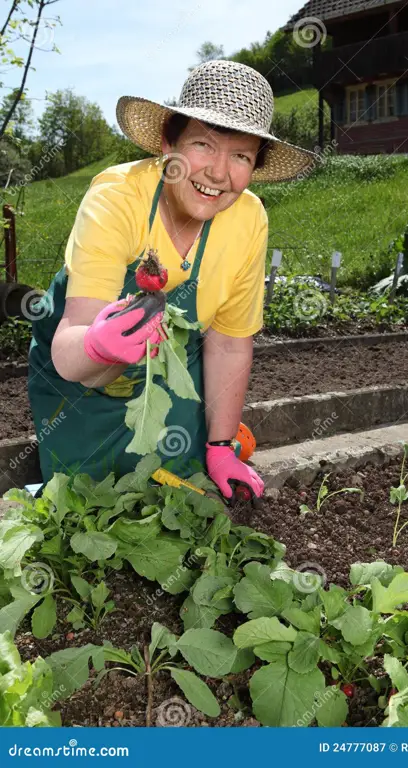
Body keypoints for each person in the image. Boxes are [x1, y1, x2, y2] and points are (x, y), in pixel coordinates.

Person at [28, 59, 316, 502]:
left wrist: (221, 448)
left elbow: (229, 341)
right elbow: (70, 351)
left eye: (240, 156)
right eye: (204, 145)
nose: (219, 173)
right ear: (169, 142)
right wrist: (99, 345)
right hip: (79, 381)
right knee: (83, 500)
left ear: (255, 165)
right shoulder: (117, 198)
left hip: (168, 367)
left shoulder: (248, 219)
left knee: (182, 488)